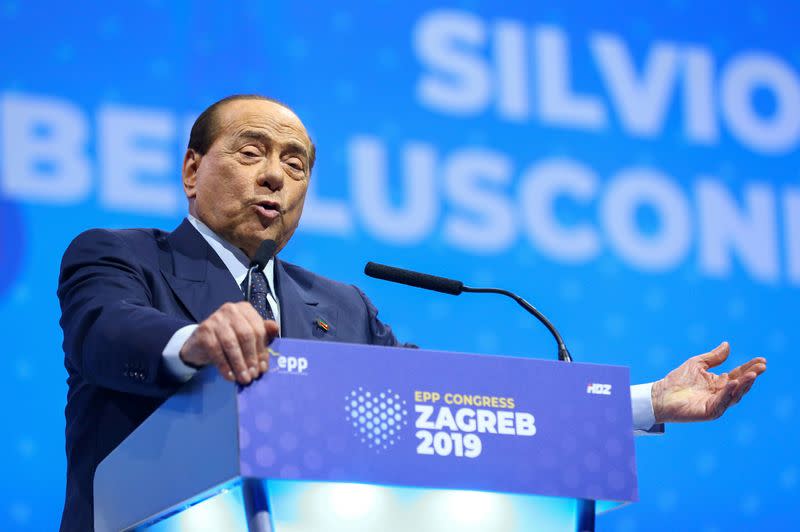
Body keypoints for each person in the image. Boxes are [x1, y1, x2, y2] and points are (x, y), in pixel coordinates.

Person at [57, 95, 767, 531]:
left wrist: (644, 403)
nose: (275, 175)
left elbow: (458, 405)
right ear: (191, 169)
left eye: (296, 164)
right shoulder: (121, 256)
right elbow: (103, 331)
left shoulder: (342, 307)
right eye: (251, 152)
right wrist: (195, 340)